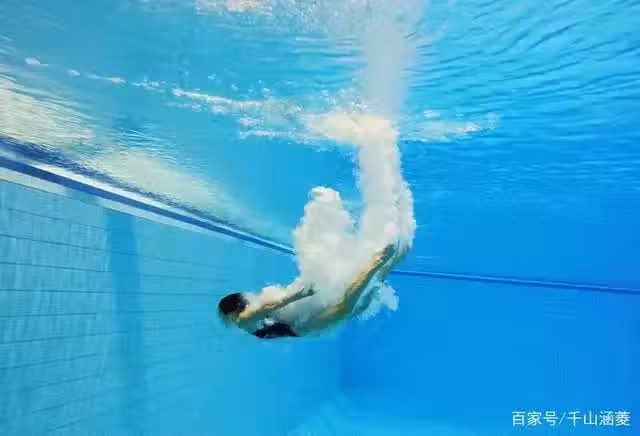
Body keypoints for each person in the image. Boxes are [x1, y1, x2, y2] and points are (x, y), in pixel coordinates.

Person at [218, 243, 406, 339]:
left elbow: (270, 306)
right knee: (357, 306)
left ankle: (378, 262)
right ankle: (388, 264)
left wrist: (299, 295)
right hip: (299, 324)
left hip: (301, 326)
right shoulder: (248, 317)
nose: (226, 320)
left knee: (345, 308)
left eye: (224, 316)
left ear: (233, 309)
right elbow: (270, 307)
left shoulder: (243, 319)